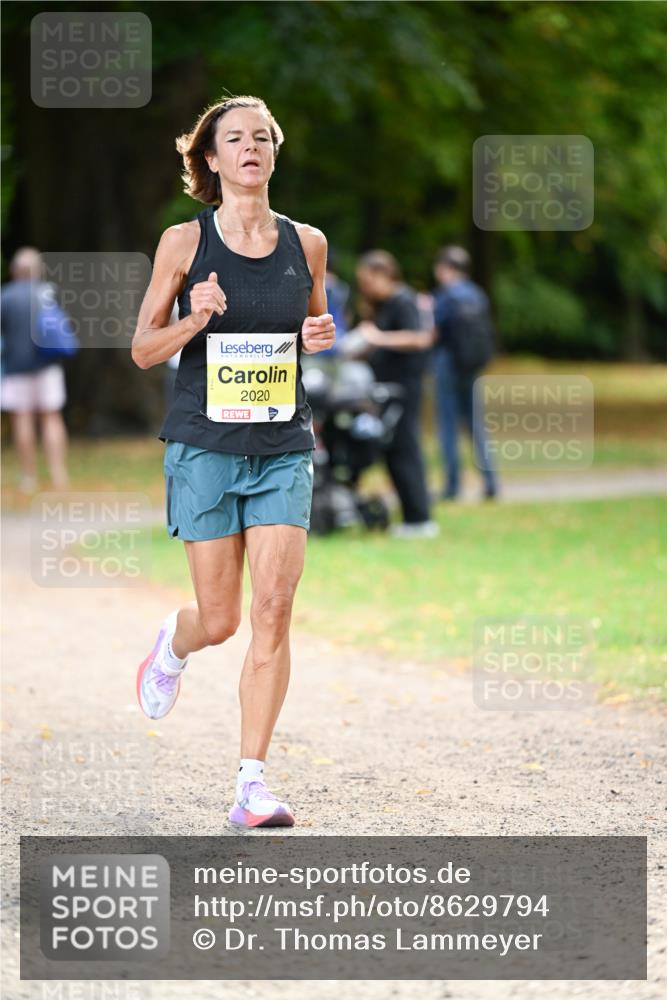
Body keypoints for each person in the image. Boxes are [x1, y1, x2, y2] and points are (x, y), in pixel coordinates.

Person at [131, 95, 335, 829]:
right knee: (219, 620)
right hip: (205, 448)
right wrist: (196, 315)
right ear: (211, 160)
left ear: (273, 154)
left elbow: (312, 323)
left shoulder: (306, 242)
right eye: (234, 139)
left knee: (273, 609)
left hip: (282, 445)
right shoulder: (183, 244)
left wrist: (318, 334)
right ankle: (173, 644)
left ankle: (251, 784)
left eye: (261, 137)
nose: (250, 147)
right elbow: (143, 348)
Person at [355, 250, 438, 538]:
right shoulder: (381, 304)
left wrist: (378, 339)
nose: (365, 287)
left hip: (405, 387)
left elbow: (419, 337)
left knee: (406, 450)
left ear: (384, 275)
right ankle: (412, 517)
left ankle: (420, 518)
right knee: (393, 451)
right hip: (386, 388)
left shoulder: (403, 299)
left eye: (368, 281)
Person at [0, 247, 70, 492]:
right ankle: (58, 473)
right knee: (52, 416)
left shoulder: (5, 297)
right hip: (48, 365)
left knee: (23, 418)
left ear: (14, 271)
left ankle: (28, 477)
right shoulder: (48, 293)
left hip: (16, 367)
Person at [432, 245, 498, 500]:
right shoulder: (477, 294)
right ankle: (490, 480)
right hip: (473, 365)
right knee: (475, 424)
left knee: (448, 425)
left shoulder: (445, 296)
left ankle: (452, 486)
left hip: (447, 362)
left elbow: (433, 329)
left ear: (445, 269)